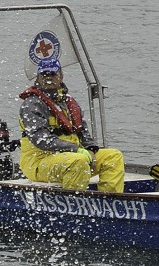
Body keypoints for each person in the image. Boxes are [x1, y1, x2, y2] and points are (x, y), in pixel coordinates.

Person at [18, 59, 125, 193]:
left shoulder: (68, 102)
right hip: (39, 162)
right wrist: (76, 150)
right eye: (44, 75)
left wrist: (90, 149)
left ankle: (109, 204)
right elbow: (41, 140)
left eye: (52, 74)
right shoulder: (31, 105)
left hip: (71, 156)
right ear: (38, 78)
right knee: (78, 162)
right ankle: (74, 208)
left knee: (113, 157)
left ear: (60, 76)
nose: (48, 78)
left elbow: (83, 132)